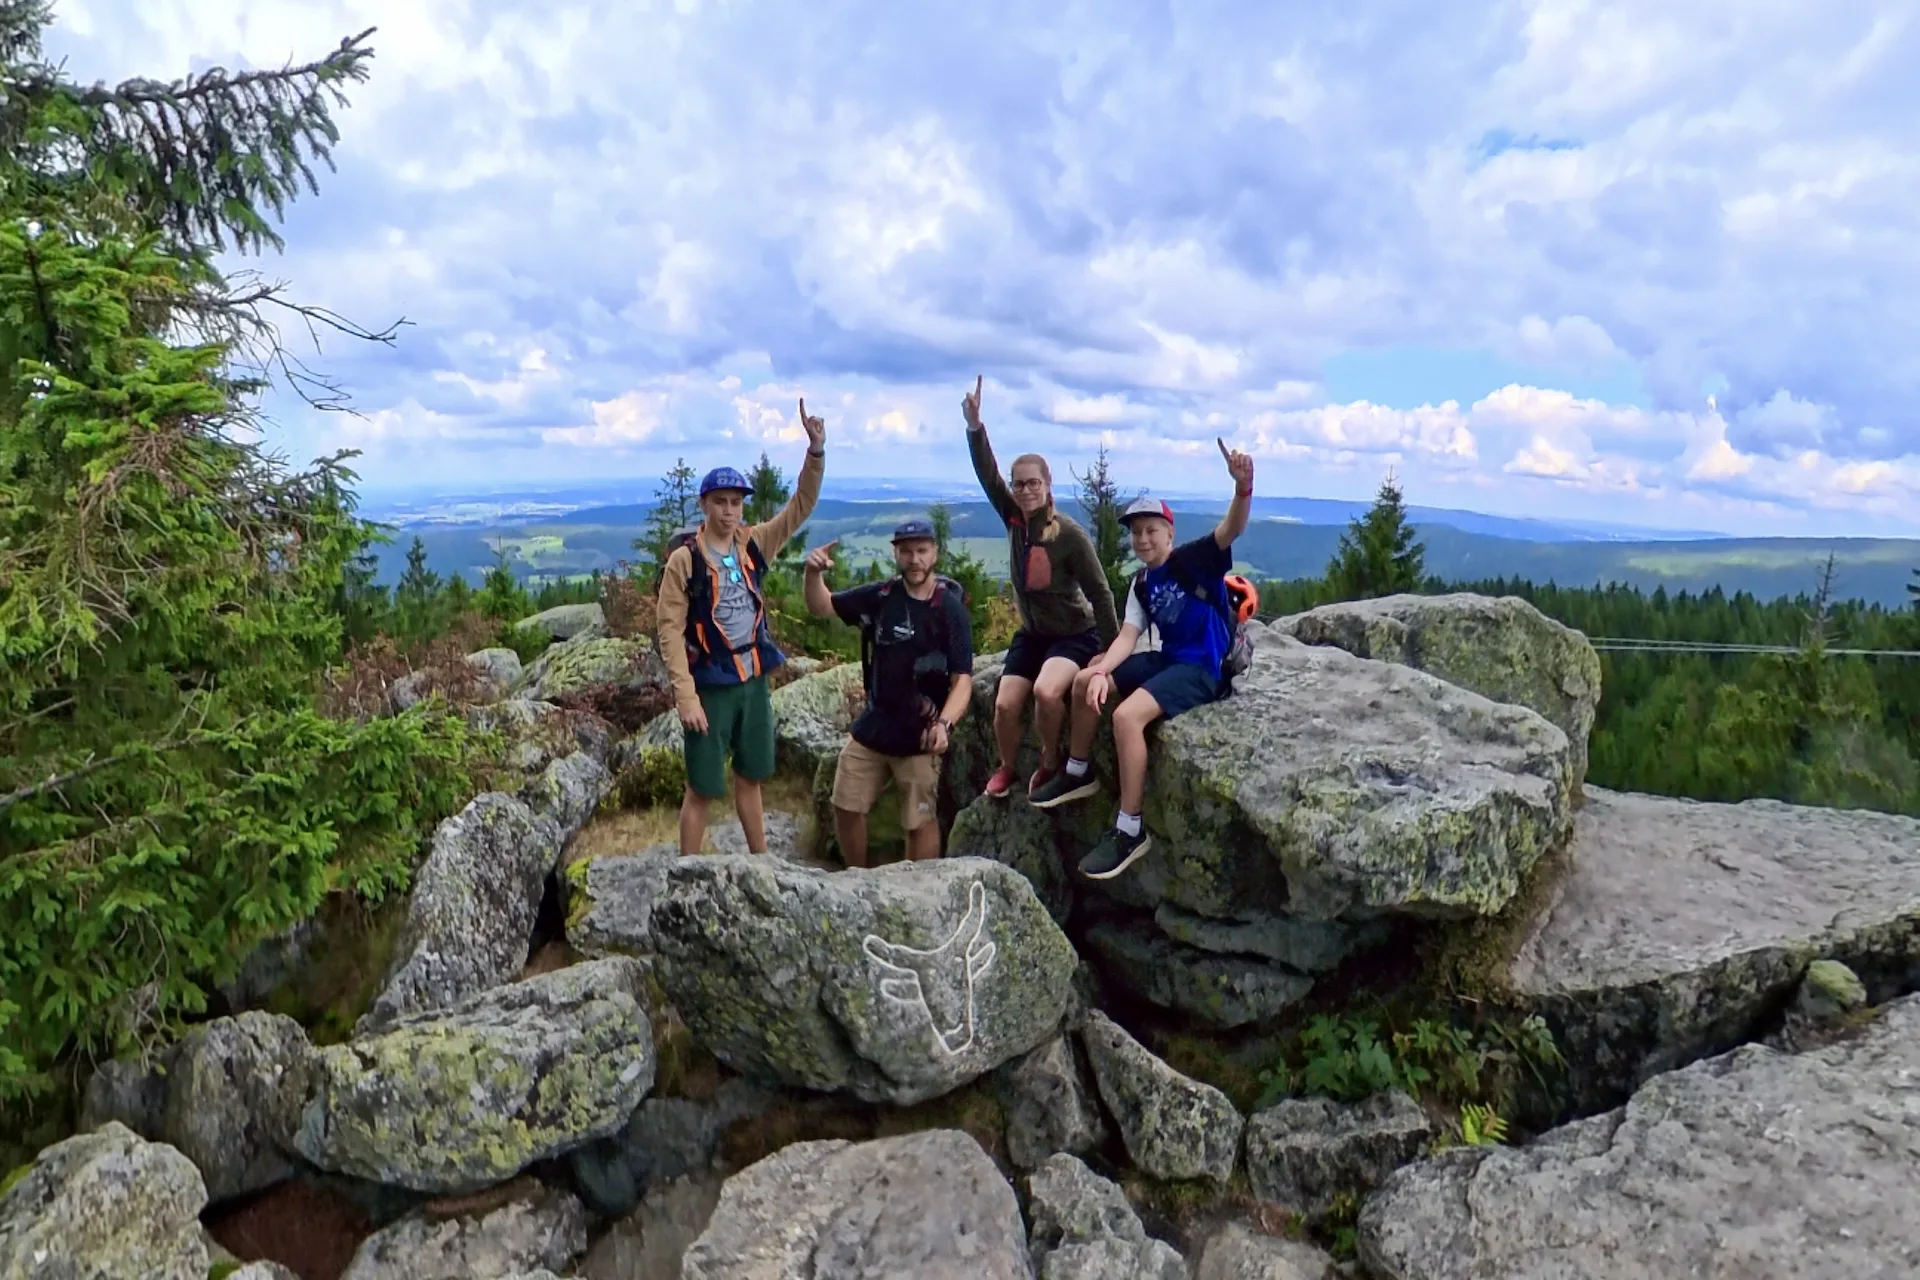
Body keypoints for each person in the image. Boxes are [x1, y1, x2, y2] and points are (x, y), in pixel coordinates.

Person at [1029, 438, 1256, 881]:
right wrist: (1101, 670)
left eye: (1152, 530)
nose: (1143, 539)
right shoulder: (1141, 583)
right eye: (1136, 532)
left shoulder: (1195, 561)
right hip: (1168, 660)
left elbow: (1232, 528)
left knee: (1126, 718)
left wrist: (1243, 488)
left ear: (1170, 533)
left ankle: (1130, 828)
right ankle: (1078, 772)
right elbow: (1128, 636)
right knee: (1083, 681)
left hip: (1202, 670)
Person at [657, 400, 827, 856]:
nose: (729, 511)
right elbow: (669, 630)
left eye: (735, 502)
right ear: (704, 505)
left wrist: (815, 452)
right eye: (720, 502)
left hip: (752, 678)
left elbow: (800, 507)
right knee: (701, 787)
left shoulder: (753, 544)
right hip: (710, 683)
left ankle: (761, 861)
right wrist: (685, 696)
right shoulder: (685, 560)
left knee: (751, 777)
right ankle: (687, 870)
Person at [962, 376, 1118, 800]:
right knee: (1005, 704)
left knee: (1047, 692)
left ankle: (1050, 761)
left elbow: (1101, 593)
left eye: (1033, 483)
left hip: (1074, 634)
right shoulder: (1014, 518)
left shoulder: (1069, 535)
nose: (1025, 490)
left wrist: (1108, 654)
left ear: (1048, 485)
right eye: (1019, 484)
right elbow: (987, 475)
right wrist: (975, 426)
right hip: (1032, 635)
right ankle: (1008, 766)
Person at [802, 519, 974, 867]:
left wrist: (944, 724)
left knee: (919, 821)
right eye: (907, 551)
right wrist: (812, 574)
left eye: (922, 551)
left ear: (935, 553)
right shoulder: (880, 597)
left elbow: (963, 681)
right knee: (845, 804)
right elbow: (822, 606)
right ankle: (858, 877)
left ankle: (916, 886)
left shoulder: (949, 609)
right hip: (875, 725)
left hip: (922, 732)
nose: (915, 559)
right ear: (896, 554)